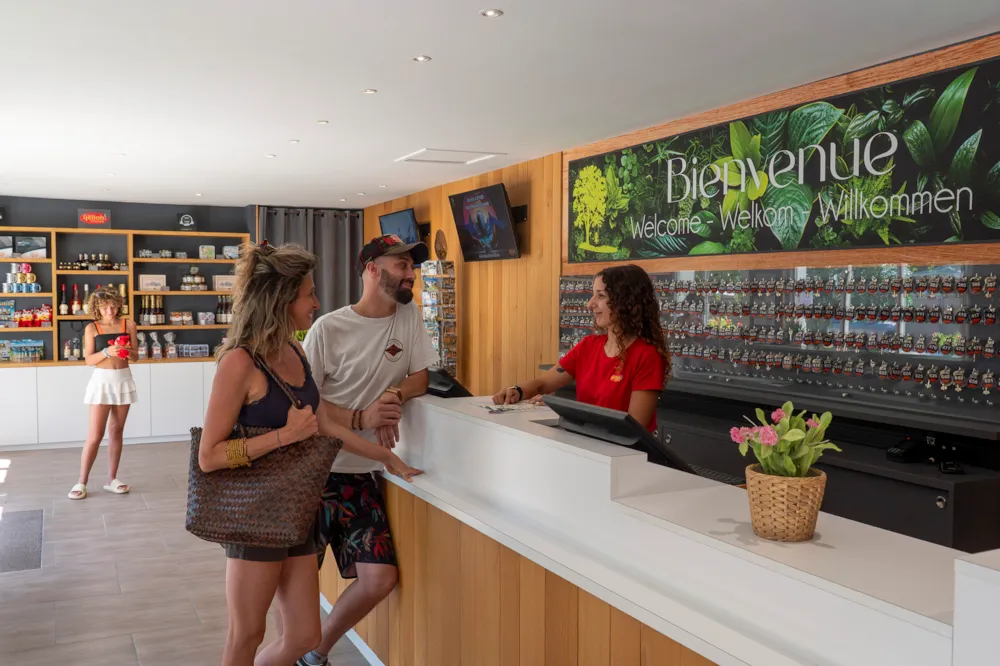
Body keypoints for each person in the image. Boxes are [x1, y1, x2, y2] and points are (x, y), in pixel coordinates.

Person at [199, 241, 420, 666]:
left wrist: (384, 456)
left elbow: (325, 425)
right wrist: (283, 436)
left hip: (298, 507)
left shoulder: (296, 352)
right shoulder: (239, 362)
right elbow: (209, 456)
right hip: (257, 515)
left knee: (303, 636)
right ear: (282, 300)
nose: (317, 303)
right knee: (246, 635)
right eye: (309, 294)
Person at [297, 234, 437, 666]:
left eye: (412, 266)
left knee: (379, 578)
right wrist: (362, 417)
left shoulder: (409, 315)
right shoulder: (327, 329)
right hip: (313, 474)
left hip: (360, 475)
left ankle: (314, 654)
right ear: (373, 270)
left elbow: (421, 377)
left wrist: (394, 394)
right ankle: (289, 650)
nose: (411, 274)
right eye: (402, 265)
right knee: (295, 587)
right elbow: (306, 405)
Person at [492, 264, 670, 432]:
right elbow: (544, 383)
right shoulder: (588, 346)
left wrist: (569, 410)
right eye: (593, 295)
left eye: (601, 295)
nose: (590, 303)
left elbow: (635, 428)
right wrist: (517, 391)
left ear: (626, 301)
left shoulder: (647, 356)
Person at [68, 286, 138, 500]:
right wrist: (107, 351)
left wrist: (126, 351)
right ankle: (81, 481)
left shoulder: (129, 325)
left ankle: (112, 479)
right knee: (95, 435)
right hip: (101, 382)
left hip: (123, 379)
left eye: (114, 306)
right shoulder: (92, 328)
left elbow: (136, 357)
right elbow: (89, 360)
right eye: (105, 307)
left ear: (119, 305)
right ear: (97, 307)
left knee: (117, 431)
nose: (110, 311)